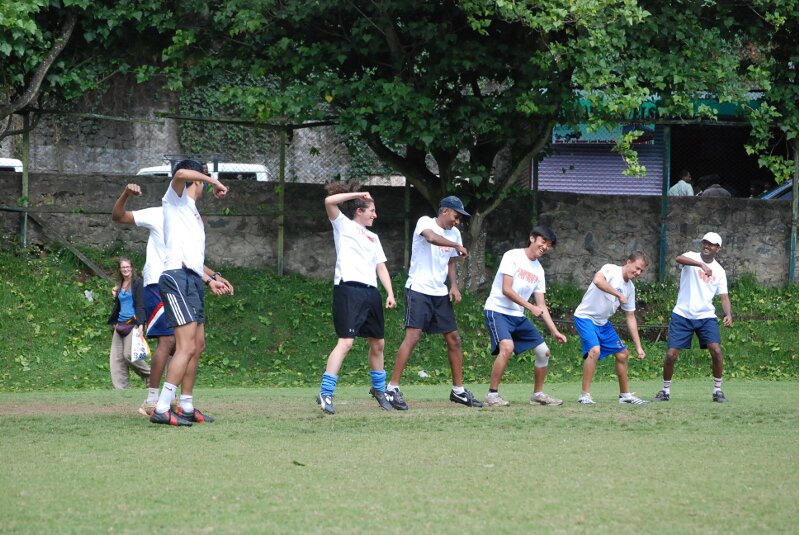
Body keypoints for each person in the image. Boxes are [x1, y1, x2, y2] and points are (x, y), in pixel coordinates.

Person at [111, 182, 234, 417]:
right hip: (158, 282)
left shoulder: (188, 217)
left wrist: (213, 277)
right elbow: (118, 216)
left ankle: (179, 402)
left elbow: (190, 259)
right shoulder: (159, 213)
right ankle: (152, 400)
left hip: (184, 281)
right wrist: (126, 193)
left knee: (189, 345)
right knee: (168, 341)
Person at [150, 159, 229, 426]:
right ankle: (161, 408)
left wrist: (210, 279)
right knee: (184, 346)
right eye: (204, 178)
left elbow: (193, 258)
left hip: (192, 279)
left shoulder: (193, 212)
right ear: (199, 178)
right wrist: (215, 180)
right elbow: (181, 172)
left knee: (197, 346)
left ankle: (185, 406)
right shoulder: (175, 199)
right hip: (175, 277)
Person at [384, 196, 482, 410]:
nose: (457, 222)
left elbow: (451, 261)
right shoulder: (425, 222)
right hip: (418, 288)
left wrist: (454, 285)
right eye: (456, 216)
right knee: (413, 336)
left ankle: (458, 391)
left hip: (439, 292)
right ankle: (392, 389)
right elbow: (431, 238)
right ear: (445, 211)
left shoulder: (455, 233)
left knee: (454, 339)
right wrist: (456, 244)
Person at [316, 182, 396, 415]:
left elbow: (380, 267)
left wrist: (389, 292)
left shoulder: (373, 237)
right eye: (372, 210)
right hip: (348, 290)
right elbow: (329, 202)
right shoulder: (342, 225)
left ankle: (379, 390)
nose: (375, 214)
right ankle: (326, 392)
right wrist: (359, 194)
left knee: (378, 343)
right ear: (359, 211)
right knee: (346, 342)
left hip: (371, 293)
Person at [482, 225, 567, 407]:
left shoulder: (539, 271)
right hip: (497, 310)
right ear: (532, 239)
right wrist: (530, 306)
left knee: (543, 352)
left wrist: (555, 331)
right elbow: (506, 289)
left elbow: (541, 305)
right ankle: (492, 395)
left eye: (549, 245)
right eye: (543, 242)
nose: (545, 247)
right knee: (507, 347)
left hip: (517, 316)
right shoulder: (512, 256)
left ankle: (538, 395)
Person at [655, 232, 733, 403]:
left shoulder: (719, 271)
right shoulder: (691, 257)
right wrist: (700, 265)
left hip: (706, 316)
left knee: (716, 351)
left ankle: (717, 391)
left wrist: (728, 314)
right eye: (705, 242)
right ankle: (665, 391)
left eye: (711, 244)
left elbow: (724, 296)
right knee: (671, 355)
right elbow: (678, 259)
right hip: (682, 314)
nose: (706, 246)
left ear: (717, 249)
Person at [573, 252, 650, 405]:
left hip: (603, 322)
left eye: (641, 271)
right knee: (594, 350)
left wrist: (639, 346)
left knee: (622, 354)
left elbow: (630, 317)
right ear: (628, 262)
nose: (638, 273)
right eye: (636, 268)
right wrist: (618, 294)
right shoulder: (611, 270)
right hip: (585, 317)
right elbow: (598, 280)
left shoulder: (630, 288)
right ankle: (584, 395)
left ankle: (625, 395)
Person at [107, 257, 151, 389]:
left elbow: (140, 304)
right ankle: (121, 388)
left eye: (127, 267)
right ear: (120, 270)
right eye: (123, 267)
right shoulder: (120, 284)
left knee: (129, 354)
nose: (125, 269)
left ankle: (150, 376)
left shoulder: (137, 283)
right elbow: (120, 304)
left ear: (131, 268)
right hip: (119, 324)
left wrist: (141, 324)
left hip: (133, 323)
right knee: (116, 358)